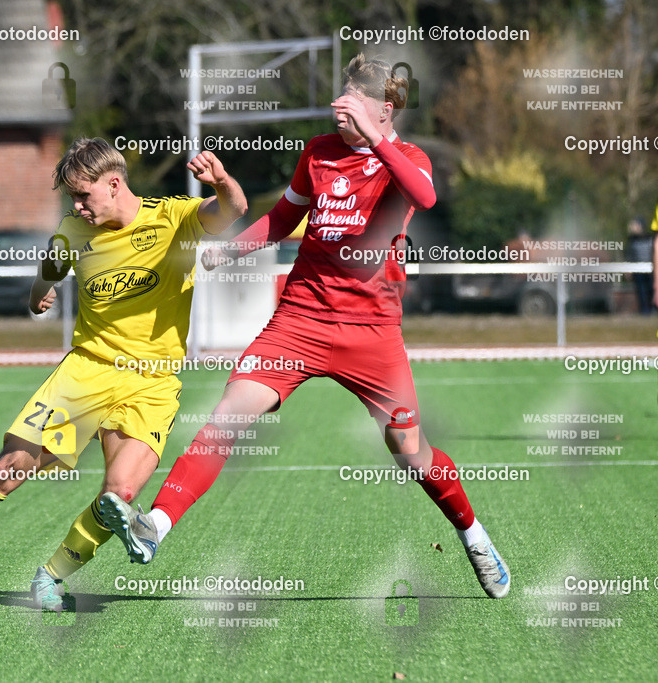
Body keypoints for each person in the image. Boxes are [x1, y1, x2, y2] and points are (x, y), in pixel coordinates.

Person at [100, 55, 511, 599]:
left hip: (372, 331)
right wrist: (231, 251)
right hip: (301, 319)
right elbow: (284, 218)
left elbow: (424, 196)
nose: (339, 108)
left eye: (354, 102)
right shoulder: (317, 152)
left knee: (412, 452)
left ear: (385, 110)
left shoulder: (407, 158)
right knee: (227, 416)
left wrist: (374, 139)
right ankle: (157, 523)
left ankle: (474, 534)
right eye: (340, 98)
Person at [0, 137, 246, 611]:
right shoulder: (72, 231)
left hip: (153, 383)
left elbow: (234, 208)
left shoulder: (173, 218)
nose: (77, 207)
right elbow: (50, 269)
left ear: (115, 184)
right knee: (10, 469)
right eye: (72, 198)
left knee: (118, 498)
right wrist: (39, 293)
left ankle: (51, 577)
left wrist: (222, 180)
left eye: (84, 196)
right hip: (85, 372)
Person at [625, 216, 654, 314]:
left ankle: (651, 310)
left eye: (635, 225)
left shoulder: (650, 239)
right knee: (641, 291)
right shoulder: (631, 241)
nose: (632, 227)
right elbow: (629, 256)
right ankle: (644, 311)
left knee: (651, 290)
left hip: (650, 270)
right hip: (638, 270)